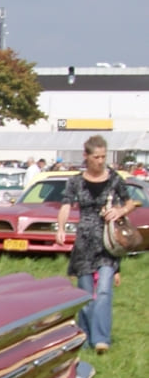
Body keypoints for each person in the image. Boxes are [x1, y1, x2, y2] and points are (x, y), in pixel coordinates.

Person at [56, 135, 138, 353]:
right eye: (96, 157)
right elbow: (65, 205)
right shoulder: (75, 181)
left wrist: (120, 210)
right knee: (85, 292)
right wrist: (62, 228)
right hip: (84, 242)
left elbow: (130, 202)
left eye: (103, 156)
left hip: (108, 243)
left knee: (103, 290)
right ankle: (84, 334)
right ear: (86, 156)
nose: (101, 161)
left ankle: (101, 339)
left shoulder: (114, 179)